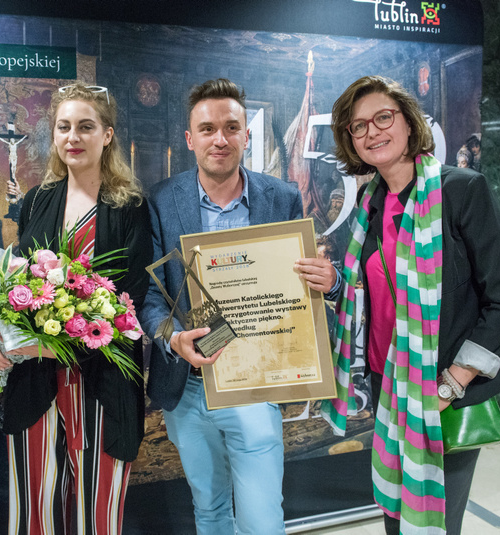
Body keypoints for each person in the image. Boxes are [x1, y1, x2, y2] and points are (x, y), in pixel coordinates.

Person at [321, 75, 500, 534]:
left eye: (383, 118)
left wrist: (451, 384)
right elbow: (371, 292)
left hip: (444, 388)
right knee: (395, 517)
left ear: (409, 123)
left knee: (433, 523)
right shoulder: (370, 204)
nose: (372, 132)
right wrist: (335, 284)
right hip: (387, 384)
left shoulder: (462, 190)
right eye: (358, 126)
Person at [139, 78, 340, 535]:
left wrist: (329, 281)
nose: (220, 139)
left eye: (231, 127)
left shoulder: (282, 197)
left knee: (262, 520)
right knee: (209, 511)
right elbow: (150, 296)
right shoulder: (161, 200)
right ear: (189, 139)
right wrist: (172, 337)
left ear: (246, 135)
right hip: (188, 384)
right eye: (207, 129)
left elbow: (301, 285)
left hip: (255, 385)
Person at [0, 83, 151, 534]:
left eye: (86, 126)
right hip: (35, 384)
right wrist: (3, 341)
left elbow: (130, 301)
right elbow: (18, 283)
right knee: (34, 510)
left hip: (103, 382)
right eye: (64, 127)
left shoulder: (130, 207)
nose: (73, 137)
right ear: (54, 135)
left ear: (107, 135)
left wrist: (54, 341)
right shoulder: (37, 200)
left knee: (97, 517)